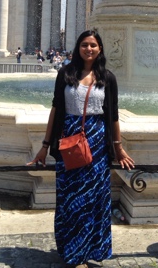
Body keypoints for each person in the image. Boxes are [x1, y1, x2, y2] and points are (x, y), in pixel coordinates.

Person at [27, 30, 135, 267]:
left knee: (94, 198)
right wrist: (45, 146)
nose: (89, 49)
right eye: (85, 45)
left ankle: (88, 250)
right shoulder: (66, 74)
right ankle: (73, 252)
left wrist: (119, 148)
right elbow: (56, 109)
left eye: (93, 45)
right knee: (70, 197)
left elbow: (113, 115)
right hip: (70, 140)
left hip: (97, 143)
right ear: (78, 48)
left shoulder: (108, 78)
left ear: (100, 49)